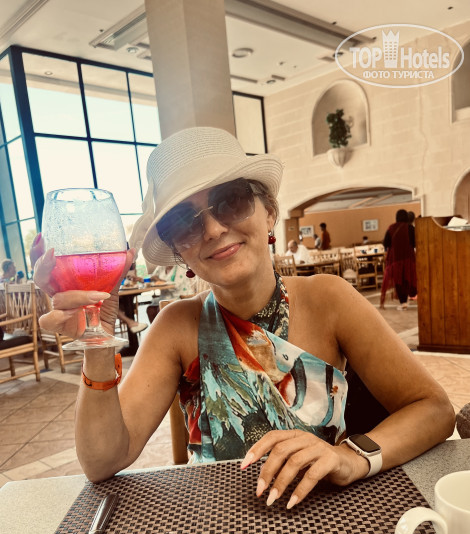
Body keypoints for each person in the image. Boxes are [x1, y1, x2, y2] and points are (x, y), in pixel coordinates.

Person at [33, 127, 454, 510]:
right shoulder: (175, 327)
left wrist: (352, 457)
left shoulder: (330, 299)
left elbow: (434, 409)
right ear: (180, 253)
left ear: (268, 211)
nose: (214, 229)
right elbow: (102, 462)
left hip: (325, 515)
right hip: (215, 523)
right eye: (185, 221)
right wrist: (98, 340)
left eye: (230, 201)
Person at [380, 209, 417, 310]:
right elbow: (415, 243)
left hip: (395, 259)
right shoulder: (410, 228)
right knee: (409, 279)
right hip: (409, 259)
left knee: (399, 281)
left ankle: (403, 302)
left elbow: (386, 243)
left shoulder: (391, 228)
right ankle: (411, 296)